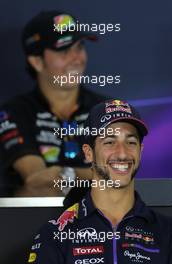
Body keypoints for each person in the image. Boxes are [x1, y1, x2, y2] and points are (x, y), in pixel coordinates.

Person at [26, 99, 172, 263]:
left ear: (141, 151)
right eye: (110, 142)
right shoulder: (56, 235)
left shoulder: (168, 232)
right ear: (88, 153)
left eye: (131, 142)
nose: (122, 154)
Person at [0, 10, 107, 197]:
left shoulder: (107, 109)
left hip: (103, 223)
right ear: (36, 61)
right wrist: (91, 176)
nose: (77, 59)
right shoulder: (13, 112)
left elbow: (120, 175)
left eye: (80, 46)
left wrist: (66, 175)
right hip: (31, 223)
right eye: (64, 50)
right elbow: (39, 181)